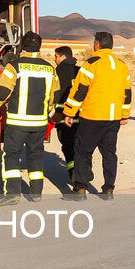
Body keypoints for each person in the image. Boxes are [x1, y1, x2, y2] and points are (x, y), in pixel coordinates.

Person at [0, 31, 59, 205]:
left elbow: (3, 92)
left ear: (22, 46)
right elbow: (54, 97)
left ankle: (12, 194)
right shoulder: (49, 68)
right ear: (39, 47)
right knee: (35, 156)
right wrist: (45, 111)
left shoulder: (14, 66)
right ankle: (36, 193)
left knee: (11, 156)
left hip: (17, 124)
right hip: (39, 124)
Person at [62, 31, 131, 200]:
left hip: (93, 116)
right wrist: (124, 114)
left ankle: (79, 189)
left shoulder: (91, 64)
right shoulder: (121, 65)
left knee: (82, 151)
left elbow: (79, 90)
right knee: (109, 154)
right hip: (113, 117)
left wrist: (69, 111)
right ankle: (108, 190)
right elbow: (127, 93)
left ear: (97, 45)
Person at [52, 45, 79, 183]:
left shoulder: (59, 71)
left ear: (63, 57)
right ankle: (86, 169)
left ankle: (74, 175)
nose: (54, 59)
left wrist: (58, 112)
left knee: (68, 147)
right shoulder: (79, 70)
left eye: (56, 56)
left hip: (65, 118)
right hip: (81, 117)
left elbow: (60, 94)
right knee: (80, 147)